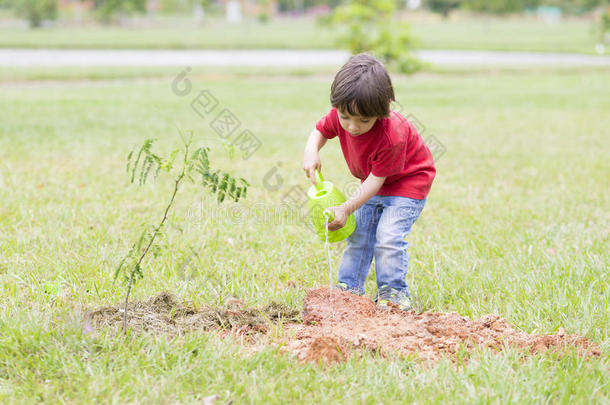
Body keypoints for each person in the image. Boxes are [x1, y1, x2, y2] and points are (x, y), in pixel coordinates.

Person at [302, 53, 436, 311]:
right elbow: (319, 130)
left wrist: (345, 209)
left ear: (382, 111)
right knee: (359, 234)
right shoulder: (342, 113)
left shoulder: (391, 135)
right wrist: (312, 151)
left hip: (407, 185)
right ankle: (349, 288)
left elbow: (376, 182)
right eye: (345, 118)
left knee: (387, 236)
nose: (352, 127)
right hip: (374, 181)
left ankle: (393, 292)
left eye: (364, 120)